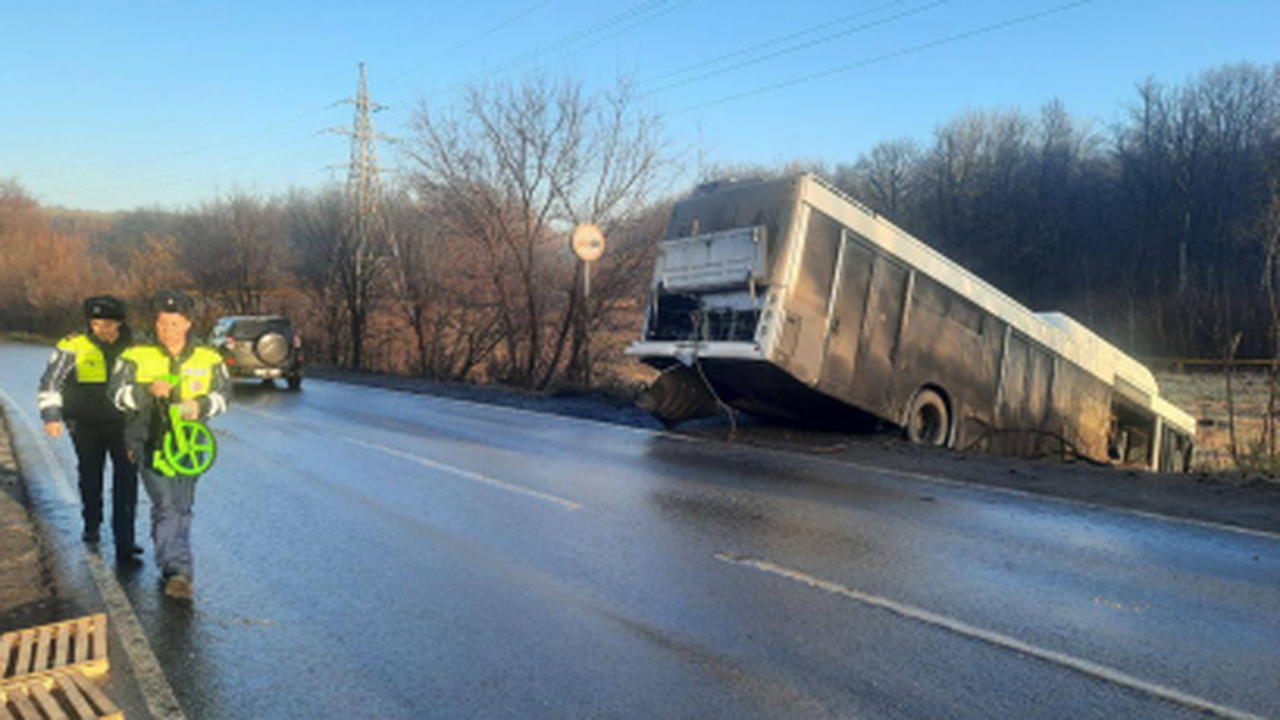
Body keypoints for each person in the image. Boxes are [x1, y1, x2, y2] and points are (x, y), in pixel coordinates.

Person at [110, 290, 230, 599]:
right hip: (149, 443)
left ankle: (173, 561)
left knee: (182, 506)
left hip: (189, 450)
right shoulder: (135, 355)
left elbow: (224, 397)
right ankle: (177, 571)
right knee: (165, 505)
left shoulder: (209, 358)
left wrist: (200, 406)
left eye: (174, 323)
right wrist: (145, 390)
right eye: (163, 323)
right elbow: (115, 394)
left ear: (188, 324)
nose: (167, 330)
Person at [38, 295, 141, 566]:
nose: (101, 329)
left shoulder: (138, 345)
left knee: (127, 480)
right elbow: (51, 382)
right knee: (90, 475)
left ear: (120, 322)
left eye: (107, 323)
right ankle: (92, 523)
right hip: (85, 425)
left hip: (125, 424)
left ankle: (125, 541)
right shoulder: (72, 346)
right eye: (95, 323)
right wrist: (51, 416)